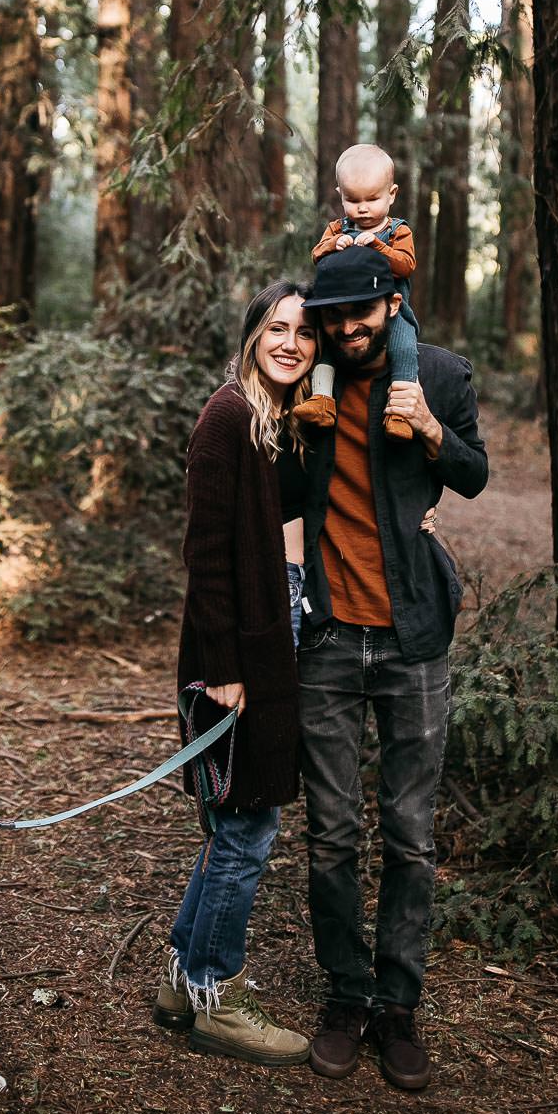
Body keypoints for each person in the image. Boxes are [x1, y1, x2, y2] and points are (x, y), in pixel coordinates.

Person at [297, 244, 488, 1092]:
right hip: (330, 640)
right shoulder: (310, 383)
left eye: (360, 314)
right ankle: (346, 996)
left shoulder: (440, 374)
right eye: (332, 319)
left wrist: (436, 433)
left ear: (391, 303)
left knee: (410, 837)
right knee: (332, 834)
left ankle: (398, 1005)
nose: (347, 330)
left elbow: (475, 475)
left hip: (415, 639)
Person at [152, 281, 317, 1066]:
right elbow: (204, 550)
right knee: (249, 827)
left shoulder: (282, 421)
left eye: (304, 332)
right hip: (238, 647)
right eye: (277, 327)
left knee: (235, 822)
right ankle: (219, 993)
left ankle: (184, 980)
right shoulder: (228, 415)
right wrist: (222, 667)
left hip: (277, 628)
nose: (292, 341)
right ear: (253, 335)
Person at [293, 144, 420, 440]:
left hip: (389, 308)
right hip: (340, 303)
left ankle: (399, 413)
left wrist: (378, 246)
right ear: (340, 195)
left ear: (392, 194)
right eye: (352, 200)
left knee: (403, 347)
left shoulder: (398, 231)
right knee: (327, 347)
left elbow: (406, 265)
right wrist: (331, 245)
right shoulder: (338, 227)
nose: (362, 208)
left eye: (372, 199)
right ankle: (323, 400)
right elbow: (316, 254)